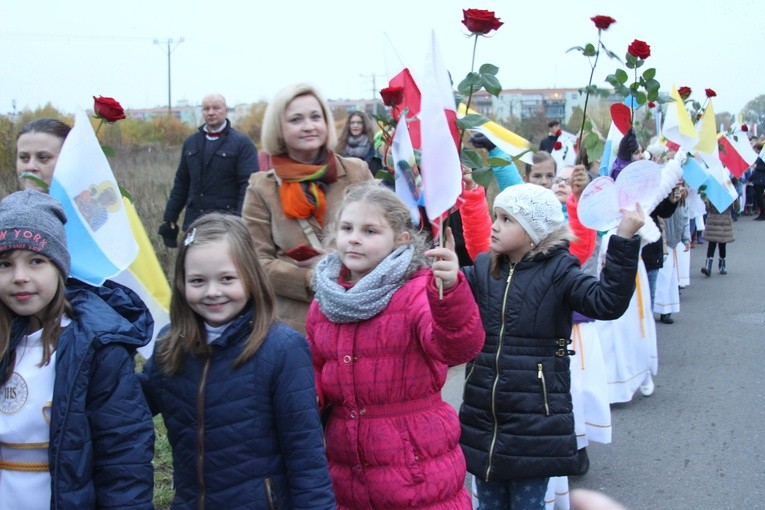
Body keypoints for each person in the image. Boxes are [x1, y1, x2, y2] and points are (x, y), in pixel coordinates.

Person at [459, 183, 644, 510]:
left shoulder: (559, 271)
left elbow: (607, 302)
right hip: (484, 418)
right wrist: (446, 276)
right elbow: (453, 302)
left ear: (533, 232)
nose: (495, 225)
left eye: (506, 219)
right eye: (495, 216)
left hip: (535, 421)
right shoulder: (487, 267)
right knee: (487, 504)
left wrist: (624, 240)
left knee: (527, 504)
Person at [306, 183, 485, 509]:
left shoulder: (417, 290)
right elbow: (317, 368)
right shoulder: (325, 301)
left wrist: (451, 294)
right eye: (347, 228)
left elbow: (456, 349)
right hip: (347, 470)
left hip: (416, 466)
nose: (354, 238)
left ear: (400, 239)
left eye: (370, 230)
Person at [140, 213, 334, 509]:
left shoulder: (282, 349)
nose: (213, 292)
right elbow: (132, 403)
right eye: (197, 281)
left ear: (250, 277)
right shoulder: (171, 343)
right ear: (181, 283)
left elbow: (305, 454)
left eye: (227, 278)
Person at [0, 190, 154, 509]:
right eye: (4, 264)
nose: (20, 277)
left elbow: (122, 455)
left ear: (60, 267)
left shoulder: (97, 345)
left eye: (36, 261)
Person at [242, 83, 373, 334]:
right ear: (279, 129)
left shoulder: (357, 172)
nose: (309, 126)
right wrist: (313, 279)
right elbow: (255, 262)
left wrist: (338, 263)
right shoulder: (261, 187)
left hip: (360, 315)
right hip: (297, 326)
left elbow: (383, 238)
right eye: (296, 119)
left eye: (316, 116)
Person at [160, 93, 259, 244]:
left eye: (216, 108)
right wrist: (170, 217)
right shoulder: (191, 143)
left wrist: (240, 223)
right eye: (206, 108)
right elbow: (182, 182)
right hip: (195, 222)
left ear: (225, 111)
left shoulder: (242, 144)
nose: (211, 112)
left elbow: (248, 186)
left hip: (226, 224)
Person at [15, 118, 71, 192]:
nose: (30, 167)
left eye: (43, 157)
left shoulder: (87, 201)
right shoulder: (7, 203)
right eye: (24, 157)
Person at [700, 201, 734, 276]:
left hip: (714, 222)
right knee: (721, 244)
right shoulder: (728, 195)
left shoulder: (713, 195)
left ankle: (708, 266)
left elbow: (707, 207)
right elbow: (736, 207)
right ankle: (722, 266)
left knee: (712, 244)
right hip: (723, 222)